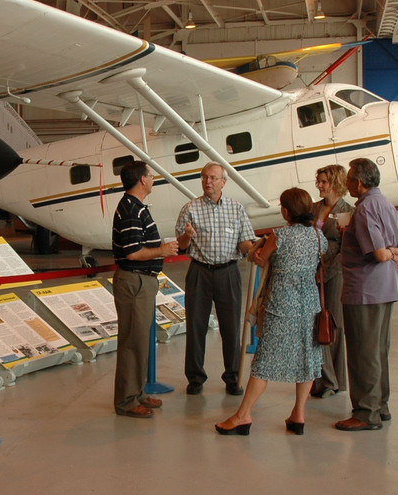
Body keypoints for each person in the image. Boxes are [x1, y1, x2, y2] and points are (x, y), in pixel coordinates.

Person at [214, 188, 327, 436]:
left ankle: (243, 415)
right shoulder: (318, 237)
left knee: (264, 362)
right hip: (309, 306)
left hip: (281, 305)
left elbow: (260, 259)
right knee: (307, 360)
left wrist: (262, 248)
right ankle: (298, 414)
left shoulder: (279, 235)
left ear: (285, 211)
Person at [335, 158, 398, 431]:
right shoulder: (386, 204)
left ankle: (366, 413)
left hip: (364, 291)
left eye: (349, 179)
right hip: (385, 288)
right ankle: (380, 406)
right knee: (378, 352)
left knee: (362, 354)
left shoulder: (365, 209)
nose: (346, 184)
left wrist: (387, 252)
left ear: (358, 182)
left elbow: (379, 253)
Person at [175, 162, 255, 396]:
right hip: (199, 272)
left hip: (228, 272)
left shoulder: (236, 208)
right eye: (204, 177)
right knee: (196, 326)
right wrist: (187, 236)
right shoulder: (190, 208)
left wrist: (257, 250)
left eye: (212, 178)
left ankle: (233, 377)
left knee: (231, 327)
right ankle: (195, 378)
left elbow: (245, 241)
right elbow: (181, 245)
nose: (207, 182)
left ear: (223, 182)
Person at [112, 160, 179, 418]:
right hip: (134, 281)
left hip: (141, 281)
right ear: (142, 180)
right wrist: (162, 250)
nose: (152, 179)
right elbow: (132, 252)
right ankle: (127, 401)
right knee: (132, 343)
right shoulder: (131, 210)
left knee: (140, 341)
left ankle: (137, 393)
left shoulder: (136, 207)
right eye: (150, 175)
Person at [310, 164, 353, 398]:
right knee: (315, 324)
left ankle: (335, 379)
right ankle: (323, 379)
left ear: (335, 183)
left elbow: (346, 248)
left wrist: (326, 272)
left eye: (324, 182)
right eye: (318, 181)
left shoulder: (347, 211)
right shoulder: (313, 208)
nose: (319, 185)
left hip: (334, 274)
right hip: (312, 271)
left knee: (333, 324)